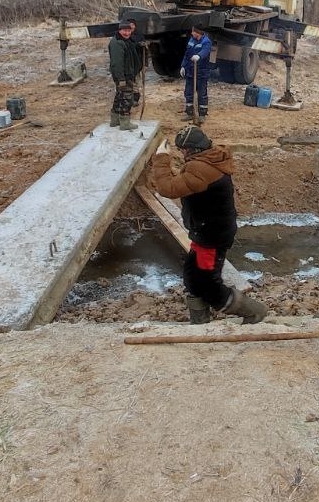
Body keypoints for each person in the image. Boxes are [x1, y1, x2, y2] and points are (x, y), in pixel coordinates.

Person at [151, 125, 267, 325]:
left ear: (190, 150)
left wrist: (161, 159)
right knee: (192, 276)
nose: (181, 153)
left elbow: (167, 188)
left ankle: (255, 312)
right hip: (206, 232)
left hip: (211, 236)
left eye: (182, 150)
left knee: (209, 286)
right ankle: (199, 322)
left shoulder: (200, 169)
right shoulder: (210, 159)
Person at [108, 19, 142, 130]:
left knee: (119, 96)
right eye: (124, 31)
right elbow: (116, 64)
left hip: (127, 74)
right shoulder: (117, 43)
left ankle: (115, 120)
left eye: (129, 31)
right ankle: (124, 123)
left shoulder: (125, 40)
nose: (127, 33)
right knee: (127, 98)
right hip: (124, 76)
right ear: (120, 30)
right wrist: (121, 79)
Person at [180, 24, 212, 120]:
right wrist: (183, 66)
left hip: (201, 72)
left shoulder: (206, 42)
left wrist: (199, 56)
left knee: (202, 94)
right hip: (190, 71)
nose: (191, 33)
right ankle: (190, 113)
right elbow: (187, 55)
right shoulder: (191, 40)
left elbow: (205, 51)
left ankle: (202, 115)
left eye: (193, 31)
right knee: (188, 92)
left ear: (198, 33)